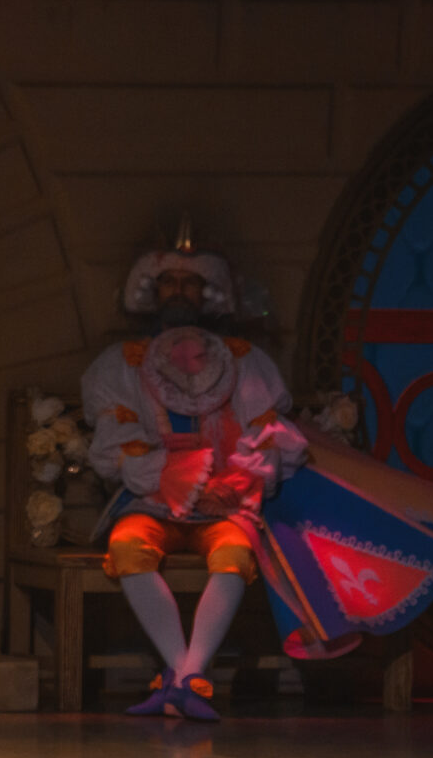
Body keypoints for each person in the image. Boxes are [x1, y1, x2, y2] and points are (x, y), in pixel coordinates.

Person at [83, 229, 306, 720]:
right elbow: (120, 441)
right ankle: (189, 678)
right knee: (127, 546)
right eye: (170, 282)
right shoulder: (123, 365)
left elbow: (267, 435)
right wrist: (182, 483)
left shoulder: (244, 362)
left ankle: (184, 676)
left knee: (236, 553)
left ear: (209, 293)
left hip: (225, 504)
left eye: (190, 283)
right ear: (154, 290)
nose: (180, 292)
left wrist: (229, 485)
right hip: (153, 501)